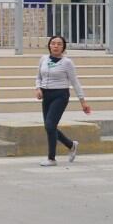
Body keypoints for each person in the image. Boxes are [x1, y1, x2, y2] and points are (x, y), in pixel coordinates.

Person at [35, 35, 90, 167]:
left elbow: (75, 82)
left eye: (59, 44)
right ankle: (71, 145)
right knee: (50, 127)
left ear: (63, 47)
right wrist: (38, 88)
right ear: (49, 45)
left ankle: (51, 158)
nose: (55, 46)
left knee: (49, 125)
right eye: (53, 43)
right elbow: (38, 77)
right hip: (46, 95)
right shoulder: (43, 59)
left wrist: (83, 101)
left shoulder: (67, 62)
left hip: (60, 95)